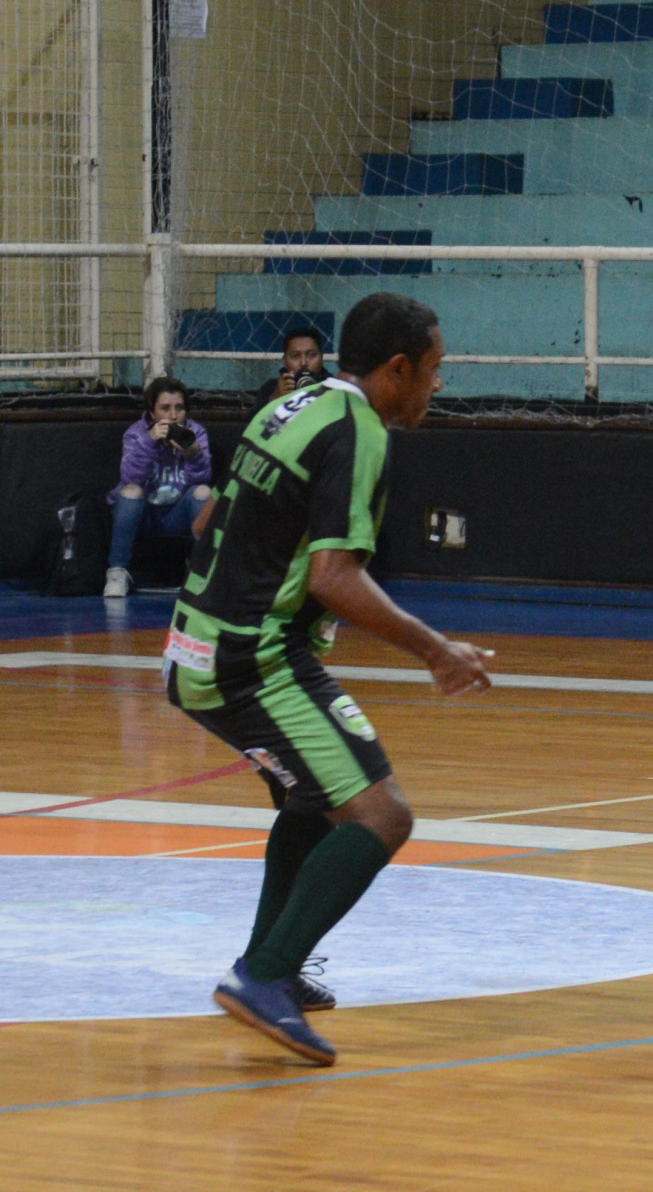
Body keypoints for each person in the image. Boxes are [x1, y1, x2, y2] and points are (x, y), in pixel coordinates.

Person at [165, 292, 494, 1066]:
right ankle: (266, 975)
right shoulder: (360, 432)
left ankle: (272, 962)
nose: (437, 387)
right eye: (434, 371)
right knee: (382, 815)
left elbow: (211, 520)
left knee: (312, 799)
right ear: (398, 369)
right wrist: (436, 650)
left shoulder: (294, 403)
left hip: (200, 642)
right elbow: (334, 578)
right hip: (254, 659)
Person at [103, 377, 213, 598]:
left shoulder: (195, 432)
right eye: (165, 408)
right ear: (152, 414)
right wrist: (150, 441)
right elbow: (130, 476)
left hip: (176, 514)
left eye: (179, 408)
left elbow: (203, 477)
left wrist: (192, 453)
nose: (173, 416)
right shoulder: (136, 433)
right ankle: (117, 571)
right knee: (131, 491)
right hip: (144, 514)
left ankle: (206, 571)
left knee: (204, 492)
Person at [252, 326, 331, 411]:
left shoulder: (333, 387)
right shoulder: (272, 388)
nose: (303, 363)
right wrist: (275, 399)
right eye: (295, 356)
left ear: (321, 358)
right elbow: (255, 422)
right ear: (285, 361)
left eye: (311, 355)